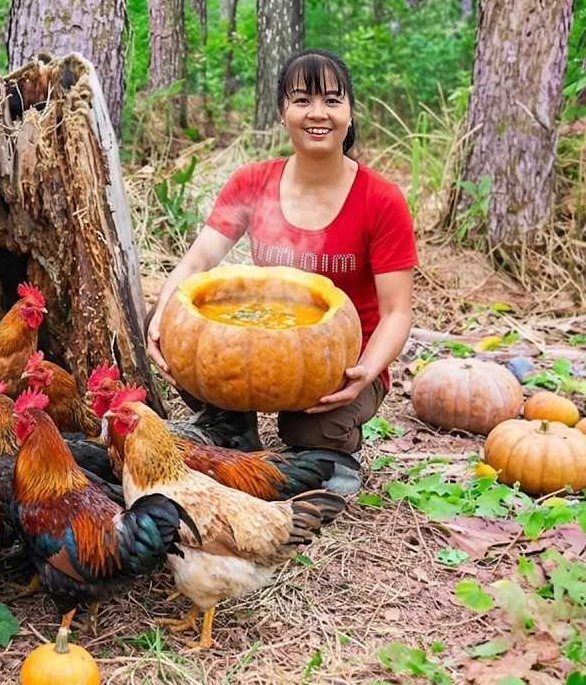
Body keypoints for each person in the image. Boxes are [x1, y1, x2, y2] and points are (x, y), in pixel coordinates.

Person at [145, 48, 418, 494]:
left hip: (342, 361)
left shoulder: (381, 199)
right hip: (253, 345)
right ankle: (229, 425)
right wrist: (160, 320)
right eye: (302, 100)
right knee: (166, 317)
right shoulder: (252, 182)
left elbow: (397, 312)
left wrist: (367, 371)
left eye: (332, 100)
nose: (318, 113)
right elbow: (198, 263)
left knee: (307, 432)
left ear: (350, 111)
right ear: (282, 111)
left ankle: (332, 452)